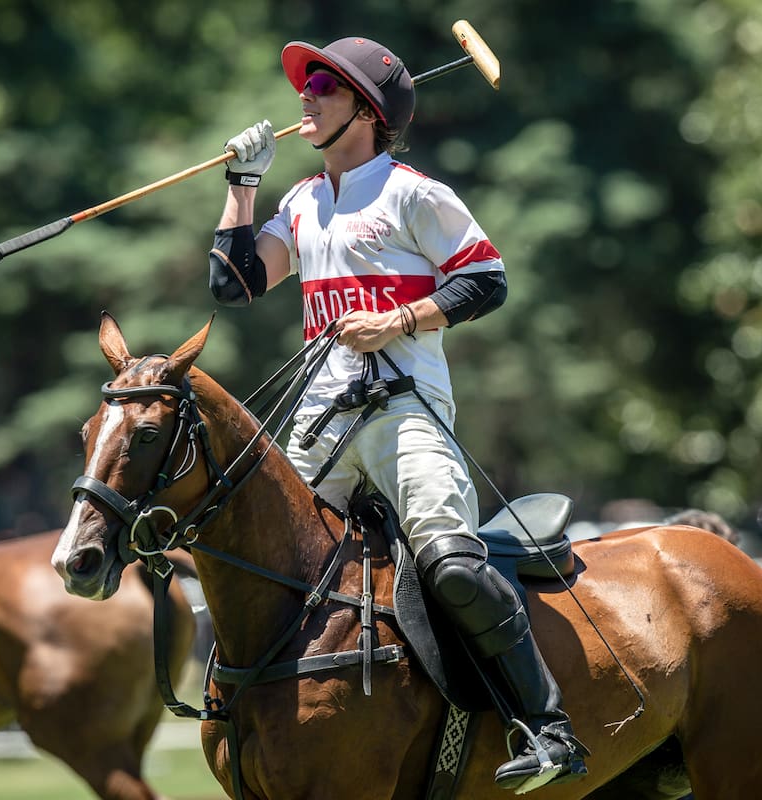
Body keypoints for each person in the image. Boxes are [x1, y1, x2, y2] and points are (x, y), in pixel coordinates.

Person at [206, 35, 588, 792]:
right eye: (305, 84)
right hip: (319, 423)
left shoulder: (414, 192)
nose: (304, 97)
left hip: (400, 413)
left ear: (368, 108)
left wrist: (401, 322)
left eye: (322, 84)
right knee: (257, 561)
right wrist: (242, 186)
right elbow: (236, 285)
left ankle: (547, 728)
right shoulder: (304, 201)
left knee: (448, 558)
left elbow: (487, 279)